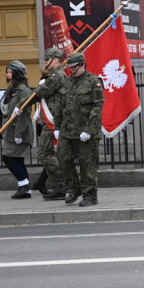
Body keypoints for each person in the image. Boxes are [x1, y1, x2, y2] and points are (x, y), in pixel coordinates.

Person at [54, 52, 104, 206]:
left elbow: (97, 107)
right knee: (63, 159)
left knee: (87, 164)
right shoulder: (66, 82)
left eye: (74, 67)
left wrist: (89, 130)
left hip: (86, 133)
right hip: (67, 131)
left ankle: (90, 196)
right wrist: (57, 126)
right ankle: (74, 189)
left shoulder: (93, 81)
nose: (72, 70)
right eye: (69, 68)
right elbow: (59, 106)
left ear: (83, 64)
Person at [0, 60, 35, 199]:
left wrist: (19, 133)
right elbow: (3, 110)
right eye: (7, 72)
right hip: (8, 130)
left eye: (10, 72)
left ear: (17, 74)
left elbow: (24, 113)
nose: (7, 75)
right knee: (17, 159)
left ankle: (24, 185)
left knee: (8, 158)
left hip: (18, 130)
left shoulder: (23, 91)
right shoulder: (11, 89)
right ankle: (25, 188)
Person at [33, 47, 68, 201]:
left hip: (54, 121)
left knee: (43, 154)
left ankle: (66, 180)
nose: (45, 62)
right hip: (50, 122)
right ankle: (59, 188)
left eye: (47, 59)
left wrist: (42, 84)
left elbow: (40, 92)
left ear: (55, 60)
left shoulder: (57, 76)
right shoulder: (54, 75)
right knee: (48, 154)